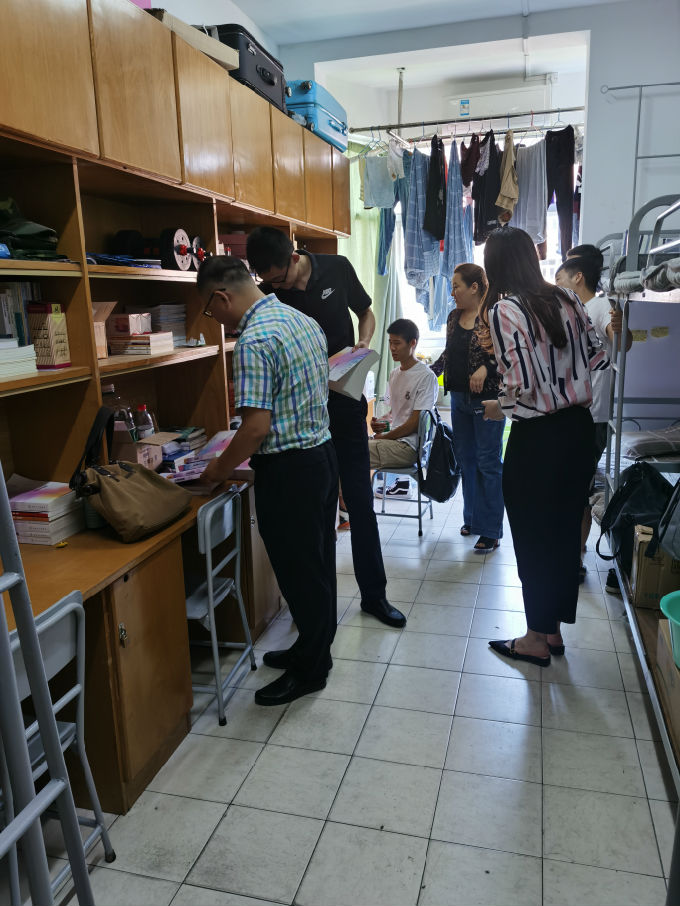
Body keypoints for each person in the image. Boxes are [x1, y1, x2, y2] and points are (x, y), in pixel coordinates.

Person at [246, 226, 406, 629]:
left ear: (293, 258)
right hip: (303, 413)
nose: (277, 287)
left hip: (345, 403)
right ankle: (321, 612)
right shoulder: (272, 292)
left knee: (360, 502)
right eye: (269, 283)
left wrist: (364, 342)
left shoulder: (336, 267)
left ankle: (375, 596)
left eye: (280, 279)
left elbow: (365, 312)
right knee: (318, 512)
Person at [197, 256, 339, 706]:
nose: (215, 319)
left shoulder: (254, 339)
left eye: (210, 310)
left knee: (299, 572)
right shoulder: (301, 320)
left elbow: (256, 428)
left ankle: (312, 670)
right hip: (321, 457)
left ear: (222, 296)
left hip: (289, 471)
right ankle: (312, 648)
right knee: (317, 565)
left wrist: (217, 470)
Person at [480, 226, 610, 667]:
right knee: (561, 533)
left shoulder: (505, 309)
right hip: (578, 430)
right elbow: (598, 357)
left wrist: (500, 406)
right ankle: (551, 630)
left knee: (534, 536)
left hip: (538, 438)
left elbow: (521, 384)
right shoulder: (568, 298)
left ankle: (535, 638)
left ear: (495, 266)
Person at [556, 246, 633, 589]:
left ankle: (573, 558)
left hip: (592, 416)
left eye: (560, 278)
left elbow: (621, 344)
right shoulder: (571, 309)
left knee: (579, 490)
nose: (557, 284)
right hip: (572, 412)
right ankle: (570, 552)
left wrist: (621, 329)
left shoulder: (600, 306)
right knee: (571, 487)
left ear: (578, 277)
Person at [431, 263, 505, 553]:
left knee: (488, 462)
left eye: (456, 287)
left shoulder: (493, 316)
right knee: (466, 460)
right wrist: (427, 372)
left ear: (474, 287)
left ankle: (490, 530)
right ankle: (473, 519)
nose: (452, 293)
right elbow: (449, 353)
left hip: (488, 400)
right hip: (459, 398)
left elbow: (505, 354)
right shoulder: (453, 317)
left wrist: (486, 368)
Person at [368, 319, 438, 489]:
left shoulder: (426, 377)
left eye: (397, 343)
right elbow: (394, 413)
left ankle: (350, 502)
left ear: (412, 343)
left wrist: (384, 436)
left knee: (351, 452)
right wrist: (380, 423)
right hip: (393, 441)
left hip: (409, 447)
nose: (392, 348)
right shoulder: (394, 374)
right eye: (390, 342)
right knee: (348, 448)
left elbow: (414, 424)